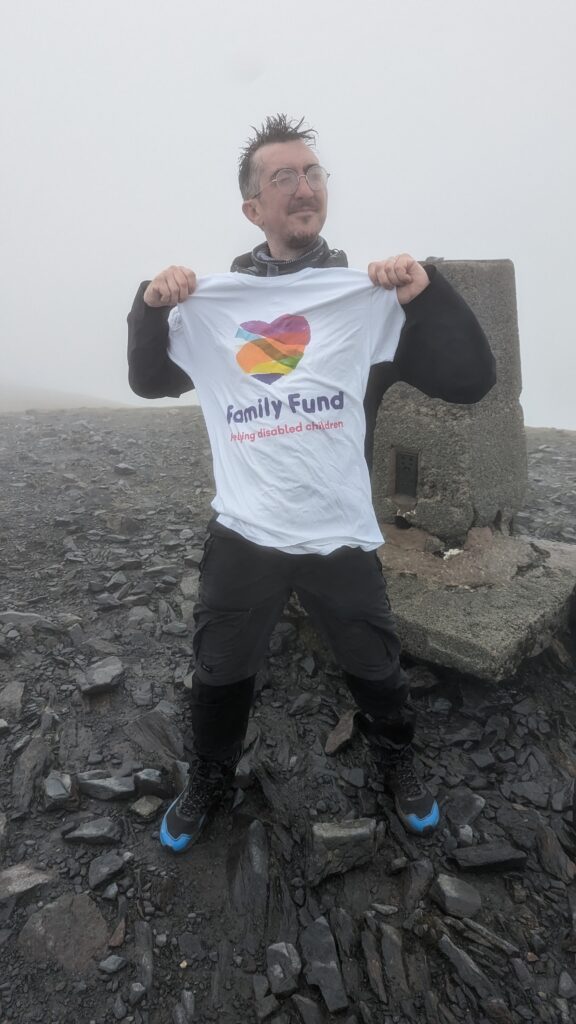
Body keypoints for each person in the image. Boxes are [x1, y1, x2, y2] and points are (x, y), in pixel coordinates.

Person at [127, 114, 496, 854]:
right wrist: (151, 305)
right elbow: (150, 380)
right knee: (220, 667)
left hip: (340, 532)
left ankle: (396, 760)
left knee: (375, 664)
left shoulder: (362, 299)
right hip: (246, 530)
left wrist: (426, 292)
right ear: (252, 208)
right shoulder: (215, 308)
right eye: (283, 177)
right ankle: (210, 778)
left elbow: (471, 380)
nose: (304, 187)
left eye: (313, 173)